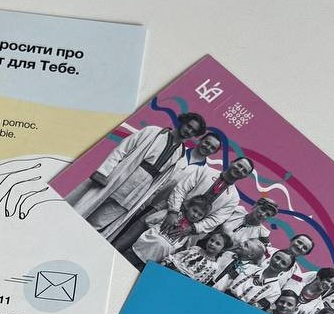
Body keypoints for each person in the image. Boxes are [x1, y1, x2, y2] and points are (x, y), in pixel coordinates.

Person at [68, 112, 207, 241]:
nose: (189, 131)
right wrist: (104, 171)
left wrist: (145, 200)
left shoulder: (180, 154)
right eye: (189, 126)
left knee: (98, 223)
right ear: (182, 122)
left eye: (193, 131)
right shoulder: (153, 132)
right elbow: (123, 148)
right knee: (83, 208)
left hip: (138, 191)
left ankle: (74, 241)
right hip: (121, 176)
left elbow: (162, 181)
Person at [165, 155, 254, 235]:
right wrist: (173, 212)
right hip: (170, 213)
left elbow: (216, 219)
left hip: (189, 230)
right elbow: (181, 189)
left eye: (244, 171)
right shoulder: (205, 171)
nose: (240, 170)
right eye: (239, 165)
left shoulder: (234, 198)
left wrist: (192, 228)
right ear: (232, 162)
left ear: (245, 176)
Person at [127, 195, 209, 268]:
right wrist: (155, 234)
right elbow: (149, 220)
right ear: (188, 207)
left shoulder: (190, 234)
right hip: (140, 248)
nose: (195, 215)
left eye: (200, 215)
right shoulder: (171, 215)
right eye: (194, 210)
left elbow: (185, 250)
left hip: (153, 262)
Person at [227, 248, 296, 308]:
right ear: (272, 257)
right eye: (277, 258)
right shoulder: (248, 267)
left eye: (283, 263)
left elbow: (255, 308)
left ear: (286, 269)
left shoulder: (275, 291)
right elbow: (226, 281)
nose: (277, 263)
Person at [167, 228, 232, 285]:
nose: (212, 244)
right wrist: (169, 261)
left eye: (217, 244)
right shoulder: (195, 249)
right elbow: (178, 256)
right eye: (212, 240)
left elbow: (200, 281)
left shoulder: (213, 266)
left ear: (222, 249)